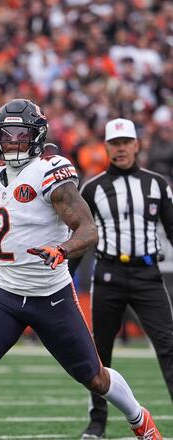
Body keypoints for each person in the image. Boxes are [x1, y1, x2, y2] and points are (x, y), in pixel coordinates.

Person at [0, 99, 161, 440]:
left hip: (51, 295)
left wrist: (63, 249)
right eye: (8, 134)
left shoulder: (50, 171)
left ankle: (139, 419)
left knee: (95, 378)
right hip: (5, 294)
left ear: (37, 136)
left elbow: (88, 229)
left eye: (22, 134)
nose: (14, 141)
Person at [72, 118, 173, 439]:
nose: (121, 149)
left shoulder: (158, 184)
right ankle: (97, 421)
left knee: (169, 345)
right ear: (106, 148)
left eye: (126, 142)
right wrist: (65, 276)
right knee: (99, 351)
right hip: (108, 274)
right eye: (114, 144)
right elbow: (80, 237)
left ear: (136, 144)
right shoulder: (93, 187)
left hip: (147, 274)